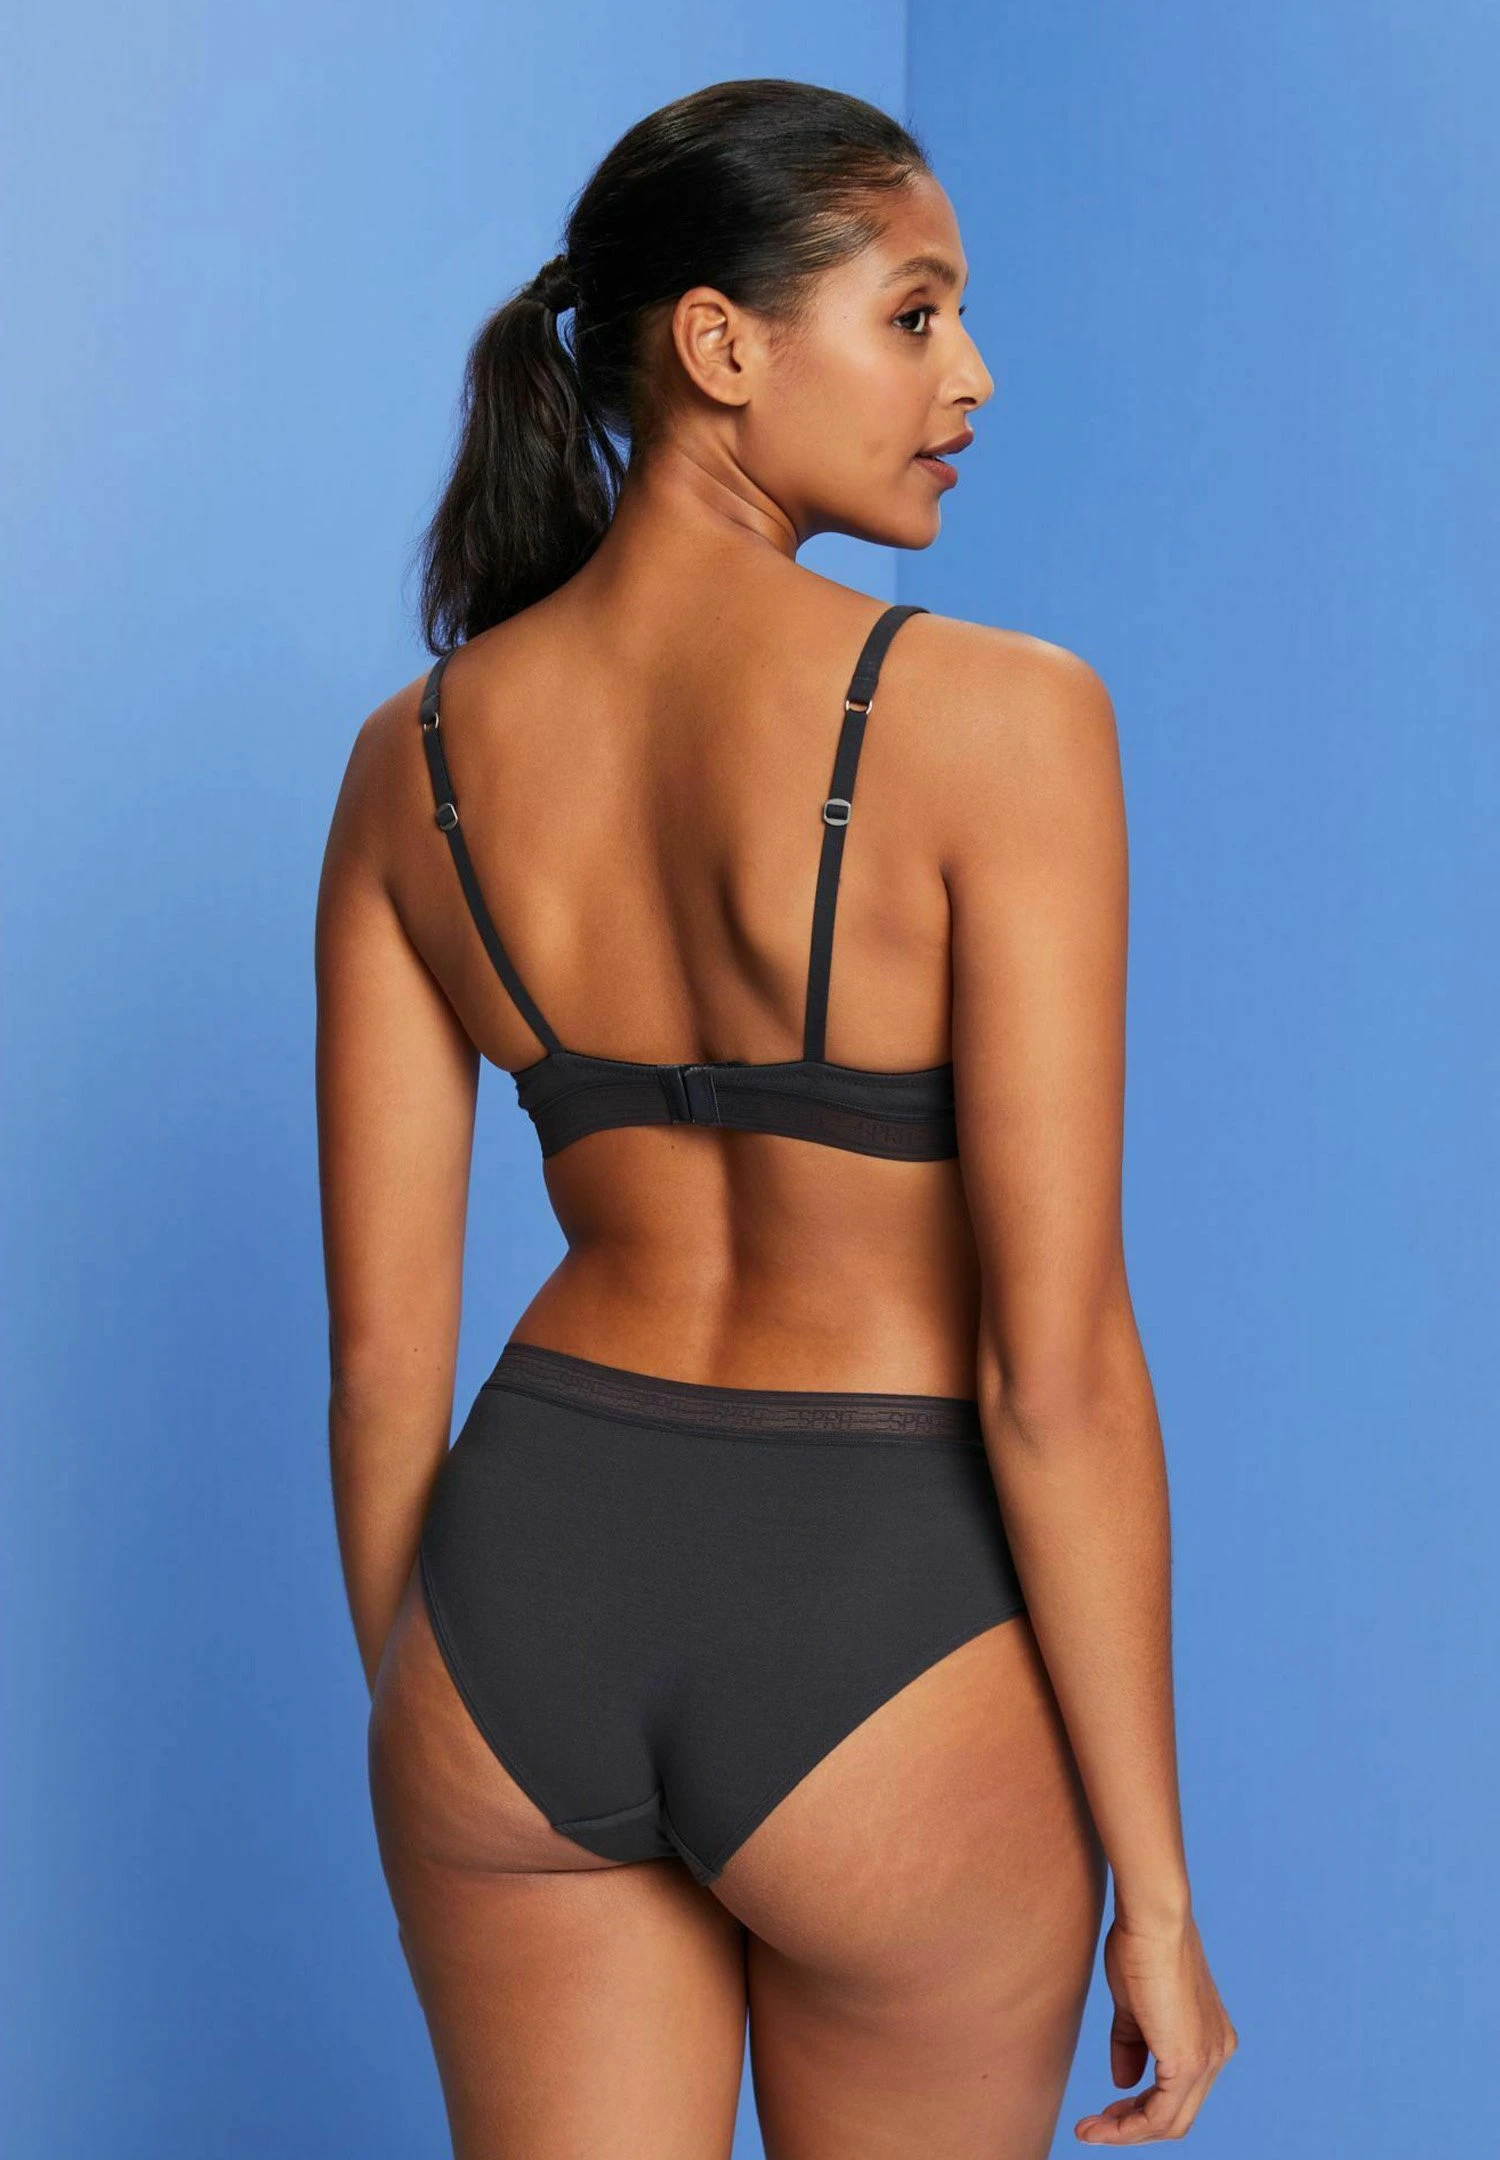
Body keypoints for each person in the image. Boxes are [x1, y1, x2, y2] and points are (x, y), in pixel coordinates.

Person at [315, 75, 1236, 2160]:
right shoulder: (1006, 721)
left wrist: (439, 1716)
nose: (970, 376)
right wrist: (1161, 1896)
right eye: (915, 314)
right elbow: (1057, 1371)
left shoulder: (412, 761)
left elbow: (381, 1370)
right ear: (721, 346)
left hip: (517, 1614)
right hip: (880, 1610)